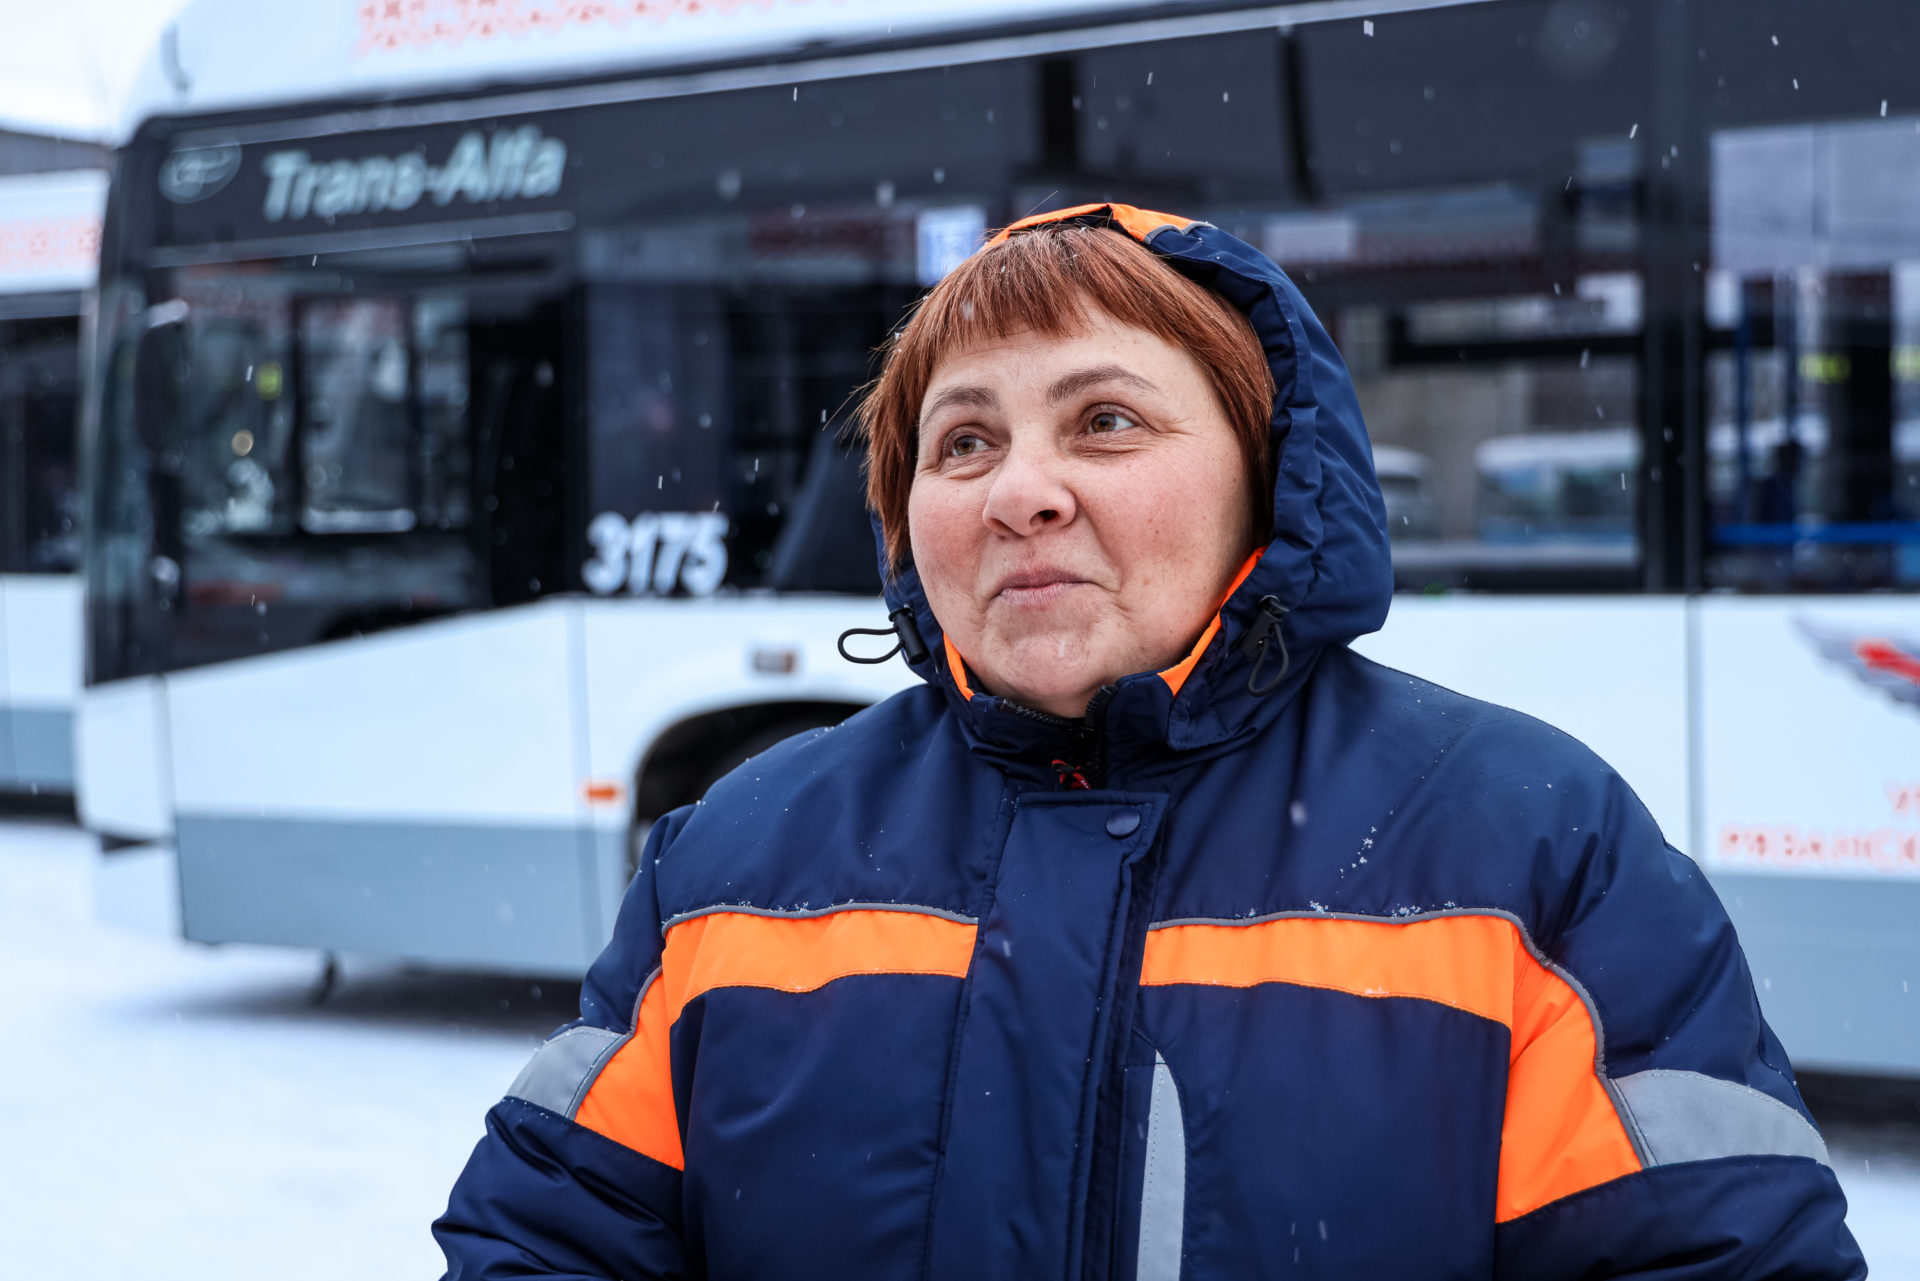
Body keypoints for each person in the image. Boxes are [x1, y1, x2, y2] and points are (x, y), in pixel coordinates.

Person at [435, 204, 1862, 1279]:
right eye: (963, 442)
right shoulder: (733, 859)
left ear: (1270, 479)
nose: (1021, 491)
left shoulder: (1536, 845)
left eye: (1105, 420)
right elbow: (548, 1237)